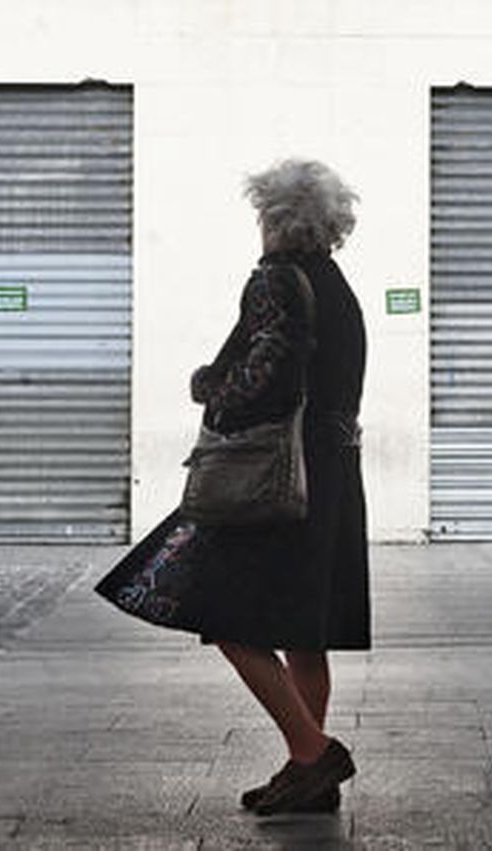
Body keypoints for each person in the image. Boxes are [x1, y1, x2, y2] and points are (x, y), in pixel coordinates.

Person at [93, 158, 370, 816]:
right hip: (331, 472)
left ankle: (313, 750)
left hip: (274, 479)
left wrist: (209, 387)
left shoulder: (276, 279)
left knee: (221, 612)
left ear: (276, 218)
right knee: (305, 629)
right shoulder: (337, 285)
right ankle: (309, 778)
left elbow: (262, 379)